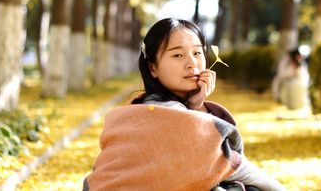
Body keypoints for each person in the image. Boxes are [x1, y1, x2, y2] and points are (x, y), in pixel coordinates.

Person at [83, 18, 286, 191]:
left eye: (197, 53)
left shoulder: (141, 107)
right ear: (153, 67)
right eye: (178, 55)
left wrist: (196, 107)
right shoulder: (165, 113)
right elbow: (231, 163)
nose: (192, 63)